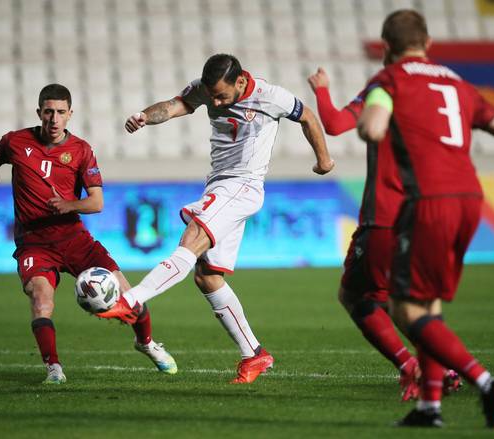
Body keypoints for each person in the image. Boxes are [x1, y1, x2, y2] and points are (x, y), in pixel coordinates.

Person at [98, 54, 335, 383]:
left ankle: (131, 299)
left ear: (240, 82)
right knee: (207, 276)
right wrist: (144, 116)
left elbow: (307, 116)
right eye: (211, 95)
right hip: (220, 184)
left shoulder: (271, 96)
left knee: (193, 237)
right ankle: (254, 354)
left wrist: (324, 160)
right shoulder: (207, 90)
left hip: (243, 185)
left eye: (221, 95)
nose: (215, 102)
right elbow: (175, 105)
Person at [357, 10, 494, 429]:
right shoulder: (456, 82)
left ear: (386, 48)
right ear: (428, 43)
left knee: (404, 309)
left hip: (429, 201)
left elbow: (372, 128)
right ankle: (429, 408)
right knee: (429, 305)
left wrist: (372, 120)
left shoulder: (390, 80)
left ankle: (487, 383)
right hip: (471, 199)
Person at [0, 84, 178, 384]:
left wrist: (69, 205)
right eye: (48, 112)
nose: (54, 119)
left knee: (129, 297)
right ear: (39, 113)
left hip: (74, 239)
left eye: (60, 112)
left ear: (70, 114)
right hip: (34, 243)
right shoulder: (15, 142)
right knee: (40, 299)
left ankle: (146, 343)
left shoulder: (81, 150)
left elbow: (97, 202)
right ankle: (54, 368)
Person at [307, 68, 462, 401]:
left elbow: (334, 125)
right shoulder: (446, 90)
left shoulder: (384, 90)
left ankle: (416, 367)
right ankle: (443, 368)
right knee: (404, 299)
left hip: (386, 216)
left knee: (356, 296)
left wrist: (321, 89)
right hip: (434, 212)